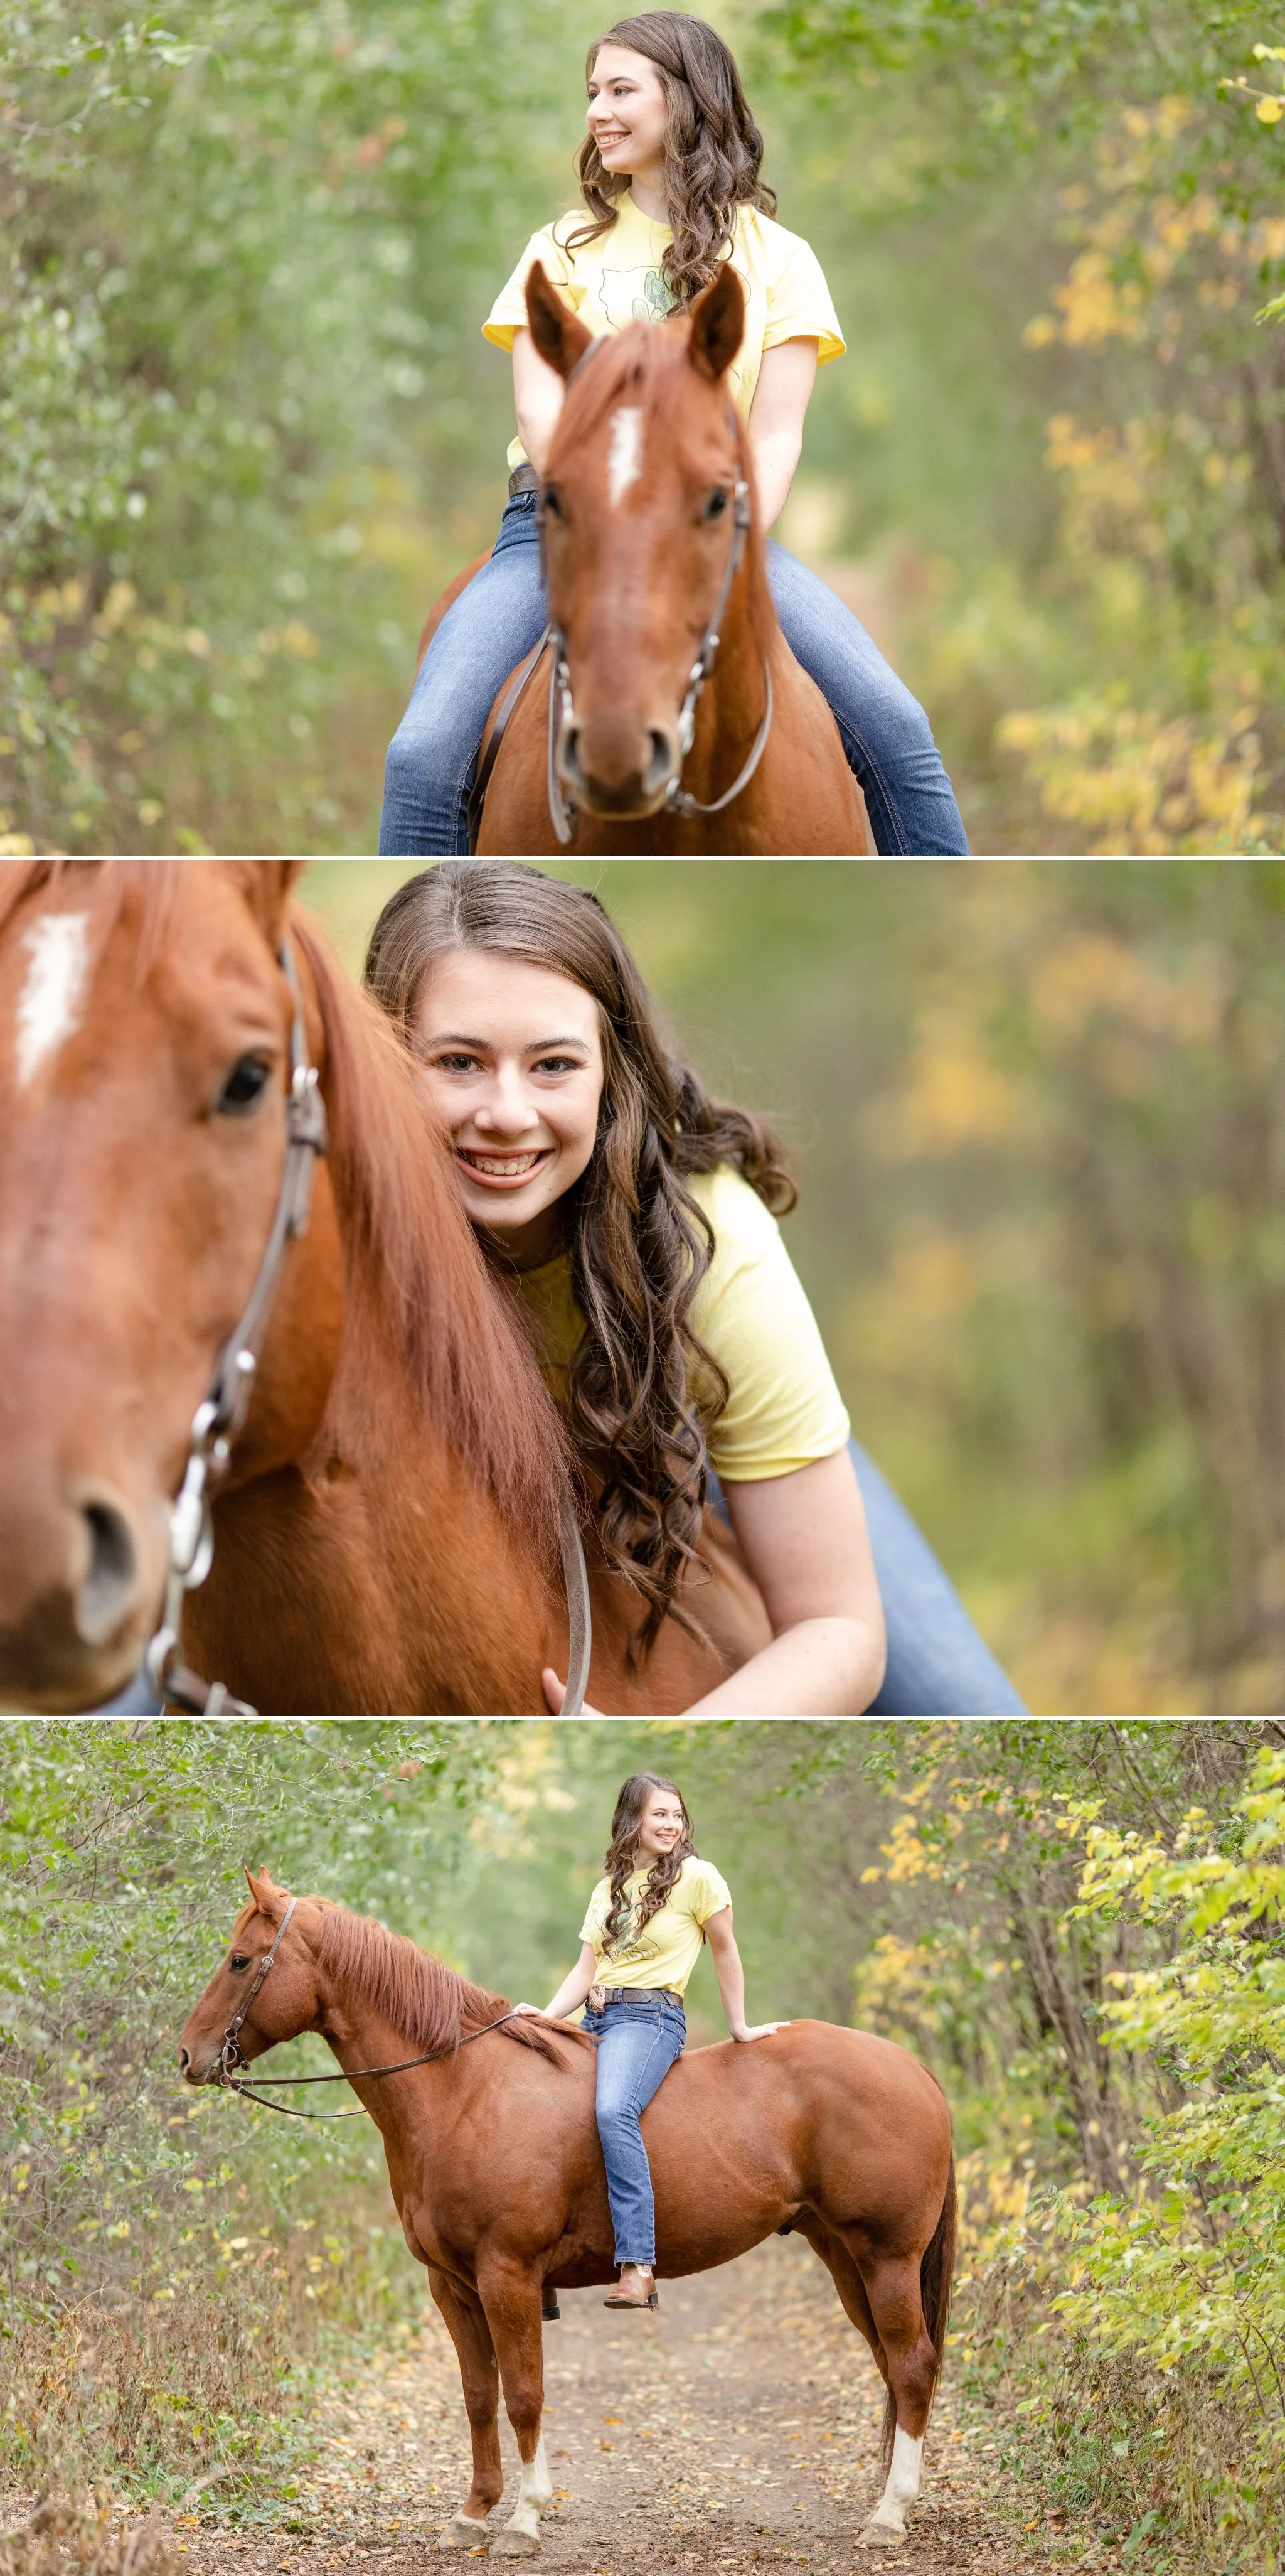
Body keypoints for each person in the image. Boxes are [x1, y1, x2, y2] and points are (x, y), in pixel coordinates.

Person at [363, 859, 1026, 1717]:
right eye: (458, 1062)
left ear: (611, 1075)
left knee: (972, 1710)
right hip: (478, 1472)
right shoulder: (331, 1222)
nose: (507, 1112)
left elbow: (839, 1627)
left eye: (554, 1065)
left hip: (676, 1435)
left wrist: (666, 1752)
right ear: (378, 1059)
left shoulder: (708, 1243)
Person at [378, 10, 969, 859]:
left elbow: (776, 433)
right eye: (592, 93)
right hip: (553, 534)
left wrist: (720, 548)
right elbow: (541, 415)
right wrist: (610, 524)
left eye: (621, 90)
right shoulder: (558, 251)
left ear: (686, 101)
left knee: (897, 729)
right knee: (423, 752)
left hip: (717, 537)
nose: (597, 111)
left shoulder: (779, 260)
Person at [513, 1771, 784, 2307]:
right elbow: (585, 1969)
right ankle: (535, 2261)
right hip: (595, 2020)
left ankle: (638, 2263)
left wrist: (740, 2026)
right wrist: (544, 2018)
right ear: (632, 1819)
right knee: (540, 2106)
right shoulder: (607, 1888)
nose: (671, 1824)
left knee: (614, 2110)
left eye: (677, 1815)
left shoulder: (698, 1877)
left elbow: (726, 1950)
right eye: (660, 1814)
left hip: (651, 2019)